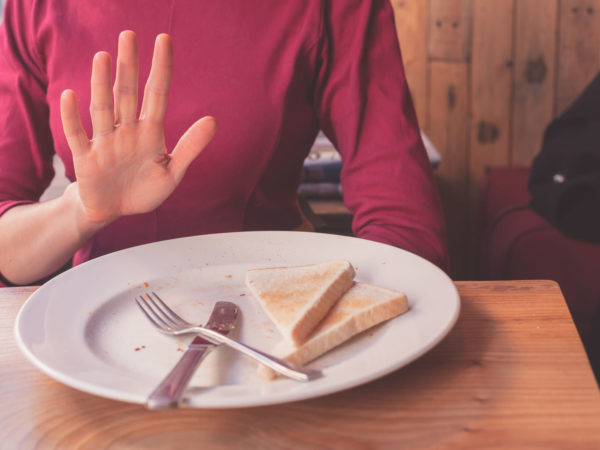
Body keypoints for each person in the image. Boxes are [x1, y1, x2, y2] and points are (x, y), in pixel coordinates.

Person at [0, 0, 448, 286]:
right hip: (89, 333)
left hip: (271, 335)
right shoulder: (32, 8)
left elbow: (407, 230)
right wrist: (80, 211)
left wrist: (315, 321)